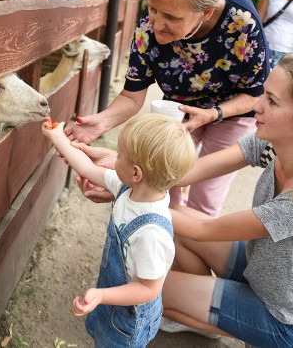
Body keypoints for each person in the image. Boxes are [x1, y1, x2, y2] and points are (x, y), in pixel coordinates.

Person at [68, 53, 293, 346]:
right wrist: (122, 163)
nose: (257, 106)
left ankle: (219, 316)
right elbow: (182, 173)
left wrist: (127, 195)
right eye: (264, 93)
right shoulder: (275, 144)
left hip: (282, 318)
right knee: (174, 212)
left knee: (149, 291)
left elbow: (204, 232)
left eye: (272, 101)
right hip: (258, 266)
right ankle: (205, 306)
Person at [65, 0, 270, 217]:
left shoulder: (242, 21)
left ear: (205, 12)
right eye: (153, 9)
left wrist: (214, 113)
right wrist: (103, 121)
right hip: (178, 109)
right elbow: (132, 95)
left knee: (205, 198)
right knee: (159, 186)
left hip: (231, 113)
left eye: (172, 18)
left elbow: (256, 93)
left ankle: (189, 248)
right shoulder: (147, 27)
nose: (157, 25)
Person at [41, 113, 197, 347]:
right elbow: (86, 166)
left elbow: (148, 289)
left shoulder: (151, 233)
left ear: (136, 173)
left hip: (128, 319)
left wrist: (102, 295)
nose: (115, 157)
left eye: (120, 155)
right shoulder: (128, 188)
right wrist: (58, 137)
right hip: (113, 299)